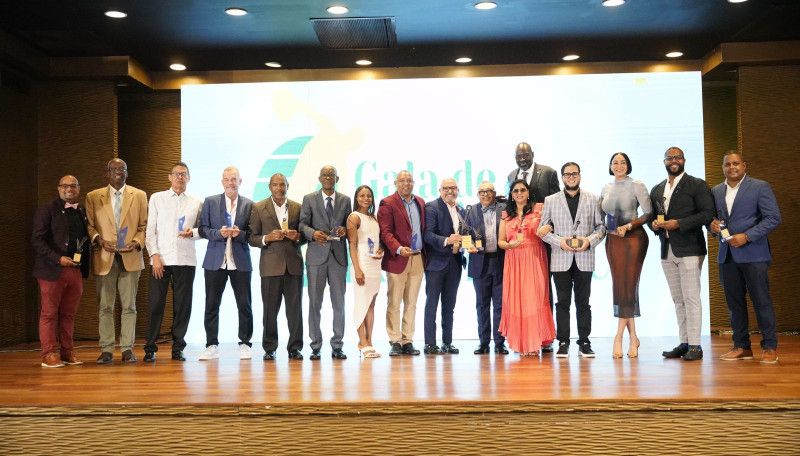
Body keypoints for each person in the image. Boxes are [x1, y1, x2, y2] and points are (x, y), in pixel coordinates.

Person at [710, 152, 782, 363]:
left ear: (744, 165)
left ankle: (769, 347)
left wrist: (747, 236)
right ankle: (741, 346)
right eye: (727, 164)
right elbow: (715, 221)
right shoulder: (716, 190)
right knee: (734, 304)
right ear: (723, 167)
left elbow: (773, 218)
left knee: (761, 301)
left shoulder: (760, 187)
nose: (732, 167)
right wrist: (712, 227)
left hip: (754, 254)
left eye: (736, 163)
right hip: (727, 255)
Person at [648, 147, 715, 361]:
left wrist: (679, 224)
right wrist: (654, 226)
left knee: (691, 298)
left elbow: (707, 214)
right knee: (678, 299)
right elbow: (654, 217)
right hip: (667, 250)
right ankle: (685, 342)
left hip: (689, 249)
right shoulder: (657, 189)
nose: (673, 161)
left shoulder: (697, 184)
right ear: (664, 161)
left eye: (677, 157)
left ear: (684, 160)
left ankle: (695, 345)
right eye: (669, 157)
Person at [540, 162, 606, 358]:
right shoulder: (551, 200)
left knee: (583, 303)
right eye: (567, 174)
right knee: (562, 303)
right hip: (560, 258)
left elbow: (601, 228)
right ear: (562, 177)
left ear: (580, 175)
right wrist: (560, 242)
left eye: (574, 174)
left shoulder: (594, 199)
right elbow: (543, 231)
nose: (571, 177)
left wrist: (589, 241)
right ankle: (563, 342)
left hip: (585, 257)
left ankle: (584, 342)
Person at [86, 158, 148, 364]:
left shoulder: (139, 195)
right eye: (114, 169)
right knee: (105, 306)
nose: (118, 172)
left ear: (127, 173)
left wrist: (137, 243)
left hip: (130, 256)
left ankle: (128, 349)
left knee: (129, 306)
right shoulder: (93, 196)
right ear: (107, 173)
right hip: (105, 257)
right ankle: (106, 349)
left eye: (122, 169)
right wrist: (99, 241)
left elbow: (145, 226)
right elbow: (89, 226)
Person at [143, 162, 203, 362]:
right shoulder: (157, 198)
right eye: (176, 174)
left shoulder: (196, 201)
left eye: (183, 174)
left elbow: (202, 230)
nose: (180, 177)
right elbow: (150, 230)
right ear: (169, 177)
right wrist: (155, 256)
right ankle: (150, 347)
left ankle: (178, 347)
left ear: (189, 178)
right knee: (155, 304)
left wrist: (192, 233)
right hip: (162, 259)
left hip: (186, 260)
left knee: (183, 306)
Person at [32, 175, 91, 367]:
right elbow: (37, 240)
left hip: (75, 270)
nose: (69, 189)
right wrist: (58, 258)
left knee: (68, 315)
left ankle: (67, 352)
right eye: (65, 186)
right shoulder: (47, 209)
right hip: (52, 270)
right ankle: (48, 354)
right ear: (58, 189)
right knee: (49, 314)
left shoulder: (81, 211)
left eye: (73, 186)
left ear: (78, 189)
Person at [197, 166, 255, 361]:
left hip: (240, 261)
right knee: (211, 305)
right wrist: (217, 233)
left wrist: (241, 234)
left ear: (240, 181)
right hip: (215, 261)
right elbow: (203, 229)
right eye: (227, 179)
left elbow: (253, 235)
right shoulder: (211, 202)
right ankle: (211, 344)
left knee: (244, 305)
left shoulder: (249, 205)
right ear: (222, 182)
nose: (230, 182)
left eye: (234, 179)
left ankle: (245, 343)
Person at [598, 153, 653, 359]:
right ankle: (634, 337)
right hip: (614, 240)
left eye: (623, 162)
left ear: (628, 166)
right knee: (620, 286)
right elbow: (609, 215)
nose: (619, 166)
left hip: (634, 239)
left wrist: (628, 226)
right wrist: (612, 229)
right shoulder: (606, 188)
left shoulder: (636, 185)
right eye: (615, 162)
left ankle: (619, 336)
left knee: (629, 285)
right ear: (610, 166)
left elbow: (649, 214)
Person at [507, 142, 560, 352]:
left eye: (525, 154)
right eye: (518, 155)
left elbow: (557, 204)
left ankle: (546, 337)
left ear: (532, 155)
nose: (522, 158)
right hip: (521, 245)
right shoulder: (512, 175)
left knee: (543, 289)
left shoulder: (548, 172)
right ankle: (526, 336)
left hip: (543, 241)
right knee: (523, 292)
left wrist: (550, 227)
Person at [248, 173, 305, 361]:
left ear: (288, 185)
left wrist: (297, 237)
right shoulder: (258, 208)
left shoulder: (297, 207)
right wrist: (267, 238)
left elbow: (304, 236)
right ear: (269, 186)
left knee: (295, 311)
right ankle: (270, 348)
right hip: (270, 267)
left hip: (293, 266)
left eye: (282, 185)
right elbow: (251, 237)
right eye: (275, 185)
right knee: (270, 311)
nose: (279, 188)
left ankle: (295, 348)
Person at [299, 165, 352, 360]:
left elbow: (349, 225)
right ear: (320, 178)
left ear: (337, 179)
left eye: (332, 175)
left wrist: (344, 230)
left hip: (338, 257)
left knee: (339, 303)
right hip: (316, 257)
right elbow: (302, 225)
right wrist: (313, 234)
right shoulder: (309, 199)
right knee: (315, 303)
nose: (329, 178)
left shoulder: (346, 200)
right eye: (325, 175)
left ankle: (337, 345)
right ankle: (315, 345)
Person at [497, 179, 554, 355]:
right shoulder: (506, 215)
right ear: (511, 195)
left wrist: (549, 226)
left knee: (535, 299)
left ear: (528, 192)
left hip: (535, 257)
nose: (519, 193)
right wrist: (508, 245)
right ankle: (521, 343)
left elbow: (551, 225)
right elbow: (500, 241)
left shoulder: (540, 209)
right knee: (517, 301)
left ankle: (535, 341)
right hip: (514, 259)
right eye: (515, 191)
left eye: (522, 190)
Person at [377, 170, 427, 357]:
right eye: (402, 181)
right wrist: (398, 248)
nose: (406, 183)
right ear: (395, 183)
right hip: (398, 258)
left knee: (412, 302)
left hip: (418, 258)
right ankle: (395, 340)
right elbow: (386, 232)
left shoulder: (420, 202)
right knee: (395, 302)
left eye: (409, 180)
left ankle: (407, 340)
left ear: (413, 182)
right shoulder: (388, 203)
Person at [422, 178, 467, 355]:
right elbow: (428, 235)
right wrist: (447, 240)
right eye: (446, 188)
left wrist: (468, 244)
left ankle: (447, 342)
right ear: (439, 190)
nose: (450, 191)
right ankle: (430, 344)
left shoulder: (461, 209)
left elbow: (465, 233)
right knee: (431, 304)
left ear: (457, 190)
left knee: (450, 305)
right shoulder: (432, 207)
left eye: (453, 188)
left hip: (455, 263)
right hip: (436, 263)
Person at [466, 181, 508, 355]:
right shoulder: (471, 211)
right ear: (477, 195)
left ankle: (499, 342)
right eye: (481, 192)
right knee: (482, 305)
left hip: (500, 261)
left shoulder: (504, 209)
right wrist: (467, 246)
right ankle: (483, 342)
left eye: (488, 191)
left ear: (494, 193)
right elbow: (465, 233)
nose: (485, 195)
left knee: (500, 305)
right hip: (479, 263)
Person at [346, 185, 384, 358]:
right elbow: (352, 245)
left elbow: (377, 240)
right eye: (362, 195)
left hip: (375, 264)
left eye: (369, 195)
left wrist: (380, 250)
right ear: (356, 198)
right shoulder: (354, 218)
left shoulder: (373, 218)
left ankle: (370, 340)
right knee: (362, 301)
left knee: (371, 302)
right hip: (361, 263)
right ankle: (361, 341)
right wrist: (357, 269)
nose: (366, 198)